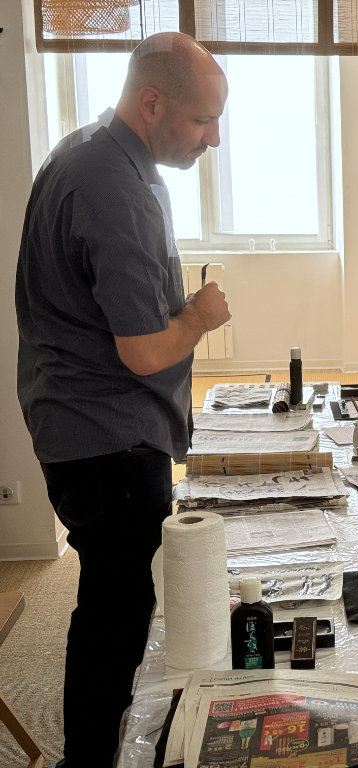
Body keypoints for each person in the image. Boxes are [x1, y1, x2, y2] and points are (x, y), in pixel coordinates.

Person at [16, 32, 230, 766]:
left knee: (114, 596)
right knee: (115, 609)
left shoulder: (83, 150)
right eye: (203, 120)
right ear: (152, 102)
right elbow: (143, 350)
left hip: (70, 420)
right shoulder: (115, 187)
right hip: (107, 438)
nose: (214, 138)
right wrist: (200, 316)